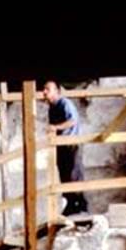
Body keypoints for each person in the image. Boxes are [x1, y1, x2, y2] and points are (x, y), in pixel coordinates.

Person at [42, 79, 89, 216]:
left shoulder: (64, 103)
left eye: (47, 89)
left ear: (57, 91)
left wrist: (55, 127)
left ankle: (81, 206)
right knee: (64, 175)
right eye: (44, 89)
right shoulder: (52, 108)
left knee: (74, 174)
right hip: (61, 145)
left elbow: (73, 120)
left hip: (71, 143)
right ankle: (70, 204)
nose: (44, 92)